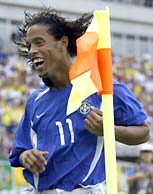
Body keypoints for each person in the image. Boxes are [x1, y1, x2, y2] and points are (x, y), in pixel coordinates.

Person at [9, 8, 150, 194]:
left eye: (39, 43)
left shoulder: (102, 88)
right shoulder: (36, 99)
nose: (32, 51)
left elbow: (144, 131)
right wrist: (26, 156)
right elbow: (19, 153)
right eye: (29, 46)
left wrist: (108, 129)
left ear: (63, 43)